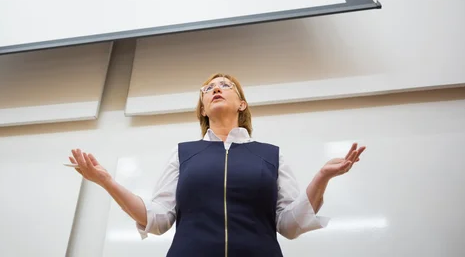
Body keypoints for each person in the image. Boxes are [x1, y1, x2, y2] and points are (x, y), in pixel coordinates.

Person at [69, 73, 365, 256]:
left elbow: (289, 225)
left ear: (242, 104)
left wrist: (323, 177)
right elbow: (158, 220)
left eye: (225, 85)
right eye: (208, 89)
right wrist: (107, 182)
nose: (216, 89)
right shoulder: (183, 154)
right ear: (203, 107)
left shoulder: (271, 155)